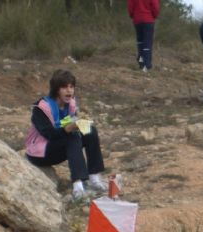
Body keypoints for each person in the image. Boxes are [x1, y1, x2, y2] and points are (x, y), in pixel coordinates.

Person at [25, 69, 108, 200]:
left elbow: (69, 122)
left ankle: (94, 177)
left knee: (90, 131)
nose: (69, 91)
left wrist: (80, 123)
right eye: (64, 87)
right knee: (72, 137)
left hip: (60, 144)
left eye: (71, 87)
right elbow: (49, 134)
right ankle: (78, 186)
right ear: (56, 89)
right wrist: (68, 129)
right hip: (40, 153)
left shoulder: (71, 104)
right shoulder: (41, 108)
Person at [127, 0, 160, 72]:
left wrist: (133, 15)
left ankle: (141, 62)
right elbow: (156, 7)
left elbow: (130, 6)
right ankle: (146, 66)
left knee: (140, 42)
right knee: (147, 44)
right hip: (148, 20)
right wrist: (154, 15)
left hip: (137, 20)